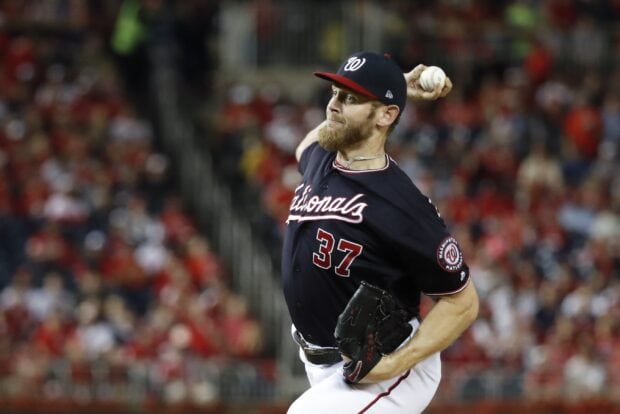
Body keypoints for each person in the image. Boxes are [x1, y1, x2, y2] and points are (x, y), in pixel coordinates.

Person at [282, 51, 480, 413]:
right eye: (335, 93)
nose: (334, 105)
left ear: (386, 115)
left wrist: (392, 365)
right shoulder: (324, 158)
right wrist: (398, 84)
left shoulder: (401, 203)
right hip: (323, 362)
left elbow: (462, 302)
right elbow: (305, 145)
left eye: (351, 98)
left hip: (389, 366)